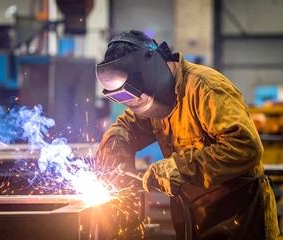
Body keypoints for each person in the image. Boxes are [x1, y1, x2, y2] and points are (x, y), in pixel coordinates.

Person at [95, 30, 279, 240]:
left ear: (152, 66)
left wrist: (180, 167)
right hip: (192, 220)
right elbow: (127, 128)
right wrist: (113, 151)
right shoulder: (151, 97)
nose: (136, 105)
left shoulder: (206, 88)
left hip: (239, 219)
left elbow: (246, 147)